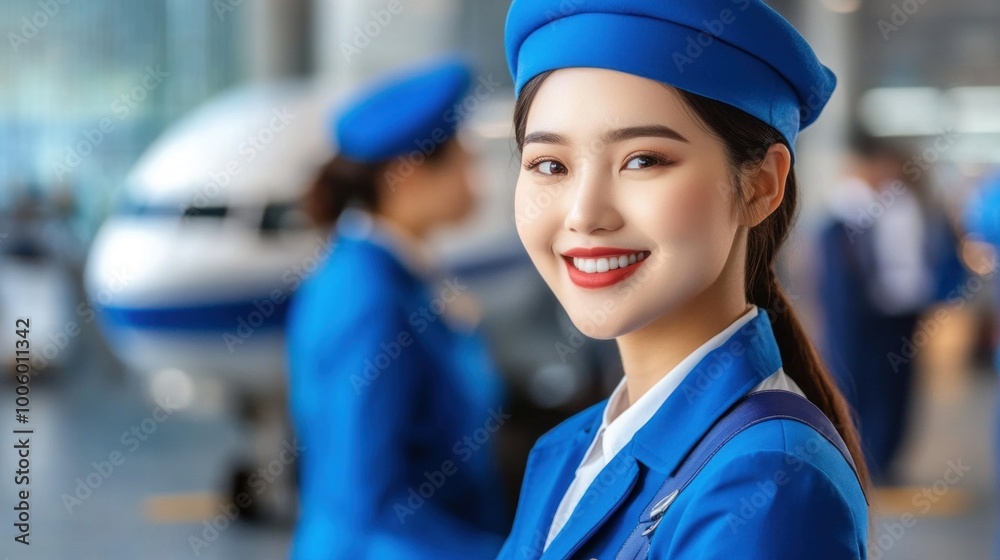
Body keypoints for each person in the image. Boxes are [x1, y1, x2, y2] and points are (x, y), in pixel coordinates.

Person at [498, 1, 871, 558]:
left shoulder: (766, 484)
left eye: (643, 160)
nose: (584, 213)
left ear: (760, 186)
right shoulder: (569, 452)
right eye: (550, 165)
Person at [285, 56, 509, 560]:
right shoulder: (369, 299)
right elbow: (369, 505)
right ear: (405, 175)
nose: (476, 178)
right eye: (460, 159)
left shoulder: (399, 278)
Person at [818, 133, 965, 484]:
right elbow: (834, 274)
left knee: (897, 386)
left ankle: (884, 460)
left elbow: (935, 252)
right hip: (860, 317)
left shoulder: (914, 206)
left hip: (903, 311)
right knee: (857, 382)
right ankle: (858, 459)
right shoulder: (846, 208)